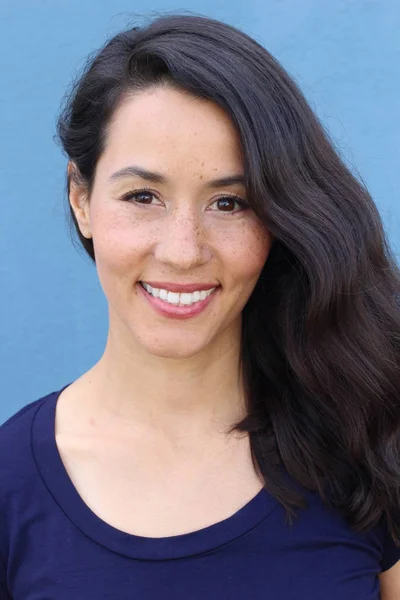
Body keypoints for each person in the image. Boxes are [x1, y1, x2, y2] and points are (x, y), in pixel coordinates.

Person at [0, 12, 399, 600]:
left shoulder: (368, 450)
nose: (183, 252)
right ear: (80, 200)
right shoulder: (10, 487)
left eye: (230, 203)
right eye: (143, 197)